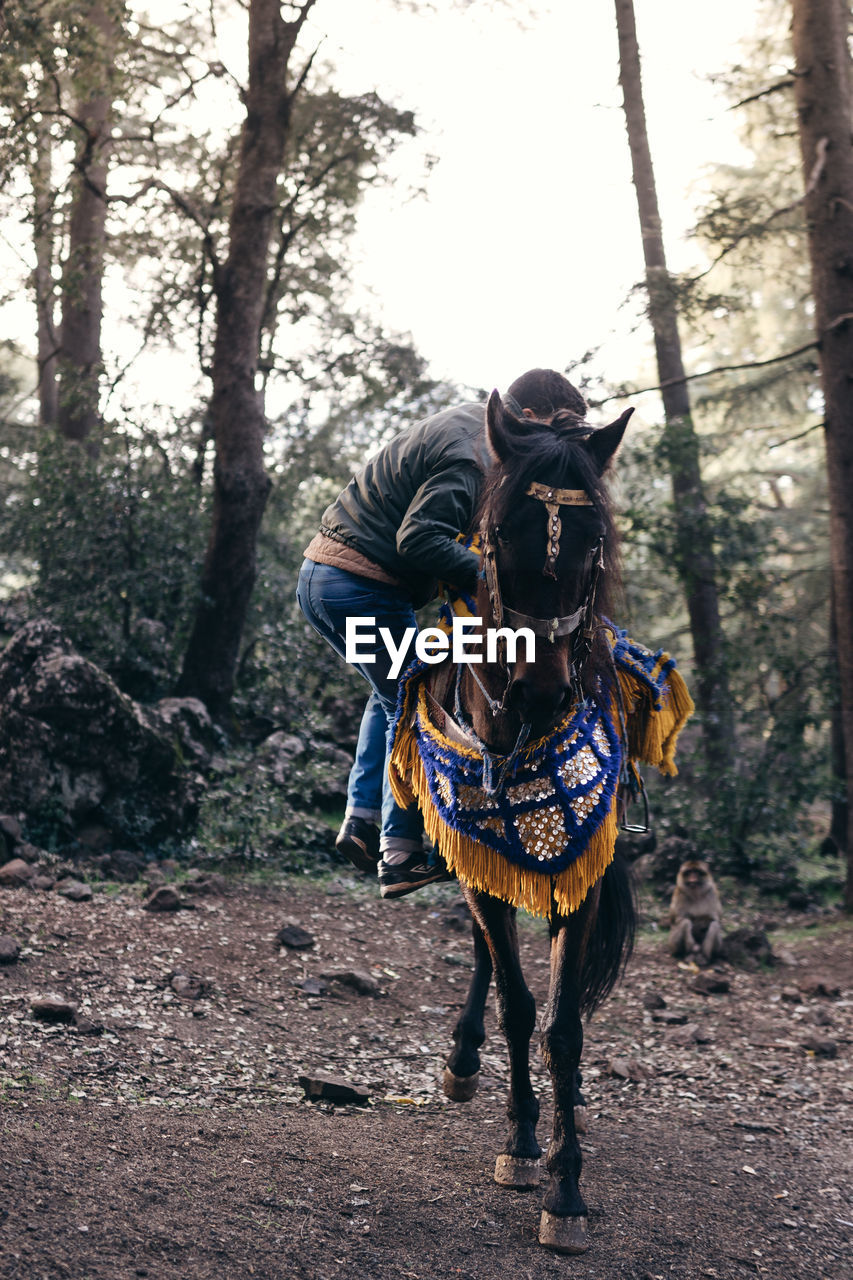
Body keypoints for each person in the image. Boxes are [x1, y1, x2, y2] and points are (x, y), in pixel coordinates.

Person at [296, 368, 588, 898]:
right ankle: (399, 851)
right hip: (353, 587)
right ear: (524, 418)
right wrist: (486, 575)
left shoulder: (477, 432)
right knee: (409, 702)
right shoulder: (475, 455)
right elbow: (418, 538)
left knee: (389, 690)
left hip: (334, 582)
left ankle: (362, 821)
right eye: (550, 433)